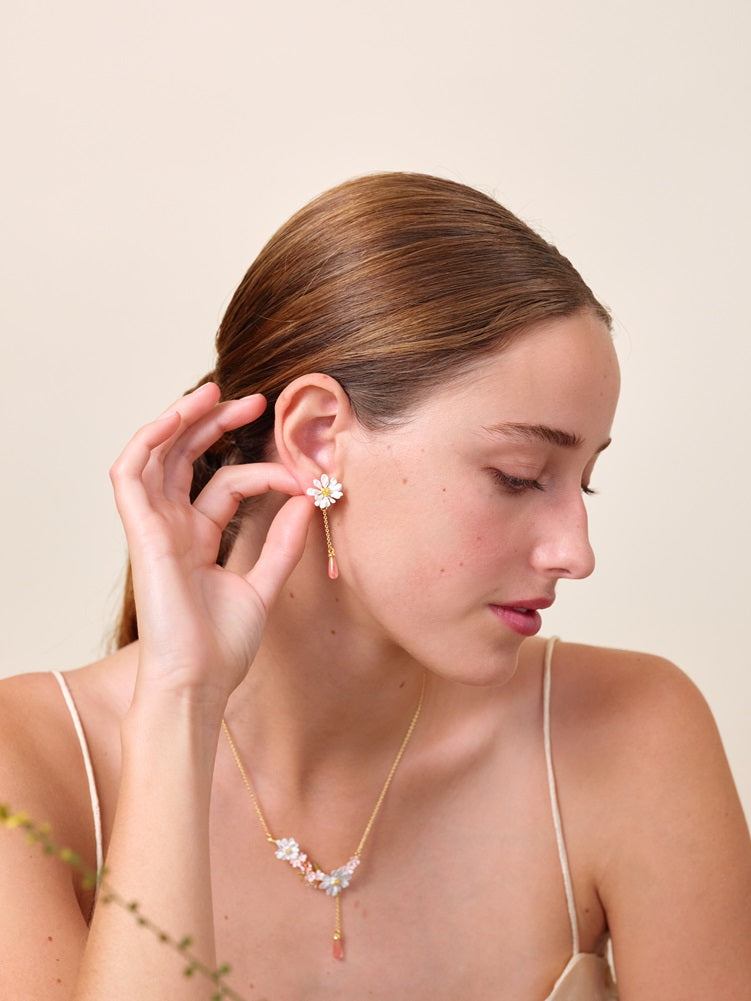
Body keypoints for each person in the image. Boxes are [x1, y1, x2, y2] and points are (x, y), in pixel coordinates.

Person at [0, 172, 749, 1001]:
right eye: (518, 475)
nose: (576, 552)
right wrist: (181, 700)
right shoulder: (25, 768)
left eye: (585, 482)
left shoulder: (632, 731)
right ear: (318, 440)